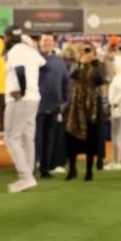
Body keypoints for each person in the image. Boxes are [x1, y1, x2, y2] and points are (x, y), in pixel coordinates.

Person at [3, 27, 45, 194]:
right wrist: (31, 46)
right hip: (34, 98)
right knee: (28, 137)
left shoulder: (15, 50)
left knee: (11, 137)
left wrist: (21, 90)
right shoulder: (29, 50)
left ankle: (25, 177)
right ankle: (29, 175)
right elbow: (42, 63)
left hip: (19, 98)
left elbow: (20, 70)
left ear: (7, 37)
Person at [64, 43, 106, 181]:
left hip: (92, 107)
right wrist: (81, 64)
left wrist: (93, 63)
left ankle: (89, 171)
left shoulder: (98, 65)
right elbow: (71, 76)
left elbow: (101, 80)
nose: (86, 53)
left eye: (89, 50)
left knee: (91, 139)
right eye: (84, 50)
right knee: (72, 138)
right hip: (76, 107)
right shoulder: (76, 65)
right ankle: (72, 169)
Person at [36, 34, 70, 179]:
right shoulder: (34, 59)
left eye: (50, 41)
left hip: (54, 106)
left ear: (54, 43)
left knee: (49, 139)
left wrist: (64, 102)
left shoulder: (59, 62)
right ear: (40, 42)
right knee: (36, 139)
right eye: (45, 40)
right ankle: (33, 166)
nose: (47, 43)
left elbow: (65, 82)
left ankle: (45, 168)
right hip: (36, 106)